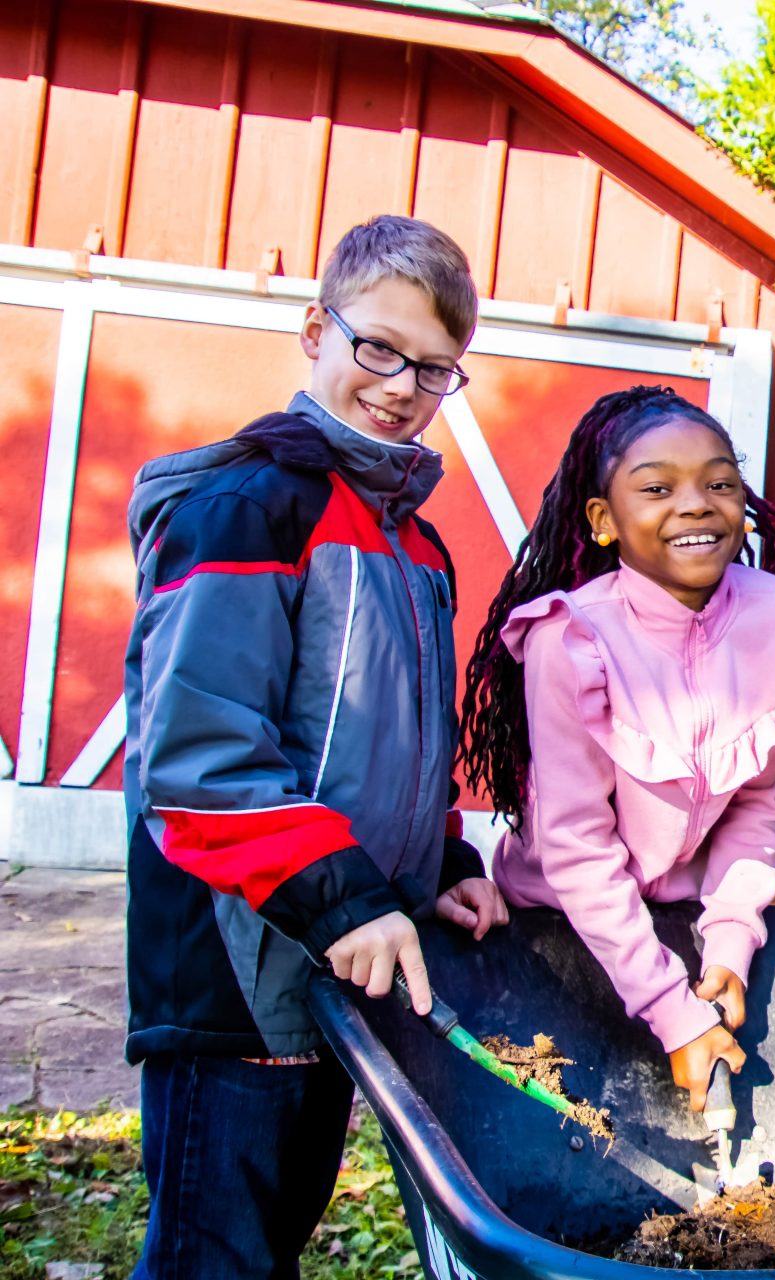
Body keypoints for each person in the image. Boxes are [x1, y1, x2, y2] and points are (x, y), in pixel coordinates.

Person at [123, 215, 508, 1279]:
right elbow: (198, 761)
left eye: (433, 370)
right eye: (376, 346)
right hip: (238, 975)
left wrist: (445, 869)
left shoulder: (413, 540)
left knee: (275, 1239)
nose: (399, 385)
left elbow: (401, 746)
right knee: (220, 1258)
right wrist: (345, 899)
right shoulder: (251, 508)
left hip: (340, 974)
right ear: (315, 328)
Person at [459, 385, 775, 1113]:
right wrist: (667, 1005)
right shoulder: (573, 641)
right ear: (604, 520)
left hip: (685, 926)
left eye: (720, 482)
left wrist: (727, 943)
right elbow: (577, 847)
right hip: (557, 937)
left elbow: (758, 806)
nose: (696, 504)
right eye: (657, 487)